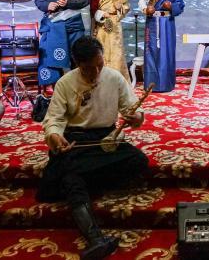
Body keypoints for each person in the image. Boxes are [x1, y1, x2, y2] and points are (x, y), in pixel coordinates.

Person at [37, 36, 148, 260]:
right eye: (89, 68)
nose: (96, 72)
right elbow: (54, 120)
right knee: (71, 176)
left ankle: (76, 179)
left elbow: (133, 109)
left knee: (138, 161)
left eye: (100, 64)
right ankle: (96, 239)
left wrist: (136, 117)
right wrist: (56, 137)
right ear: (78, 64)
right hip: (76, 142)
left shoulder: (114, 77)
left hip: (106, 139)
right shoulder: (65, 83)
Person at [34, 0, 91, 87]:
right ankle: (56, 89)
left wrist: (68, 2)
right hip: (53, 25)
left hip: (73, 26)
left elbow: (86, 0)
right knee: (50, 57)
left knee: (76, 57)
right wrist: (47, 5)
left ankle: (80, 89)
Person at [138, 0, 185, 92]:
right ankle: (151, 84)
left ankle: (166, 84)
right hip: (152, 22)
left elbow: (181, 5)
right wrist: (146, 9)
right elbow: (142, 1)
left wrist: (171, 6)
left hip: (167, 23)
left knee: (166, 52)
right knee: (151, 51)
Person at [90, 0, 131, 82]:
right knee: (103, 52)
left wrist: (120, 7)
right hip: (102, 25)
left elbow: (126, 6)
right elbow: (93, 8)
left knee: (117, 53)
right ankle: (103, 81)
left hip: (116, 24)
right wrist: (103, 14)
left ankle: (119, 82)